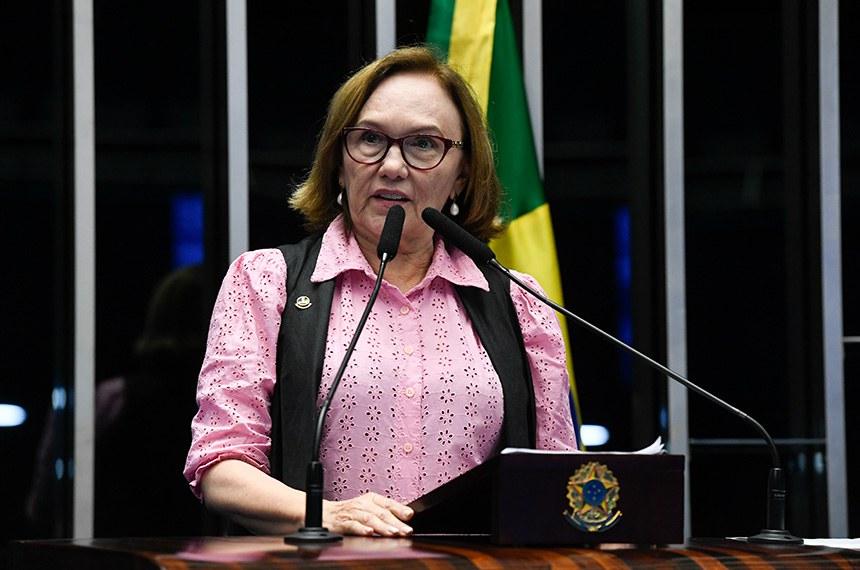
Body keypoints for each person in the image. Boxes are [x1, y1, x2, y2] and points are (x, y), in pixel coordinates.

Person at [183, 45, 577, 538]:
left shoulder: (520, 303)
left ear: (461, 176)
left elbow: (557, 478)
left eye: (424, 145)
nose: (392, 165)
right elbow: (220, 464)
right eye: (370, 139)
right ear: (338, 161)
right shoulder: (266, 281)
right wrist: (326, 515)